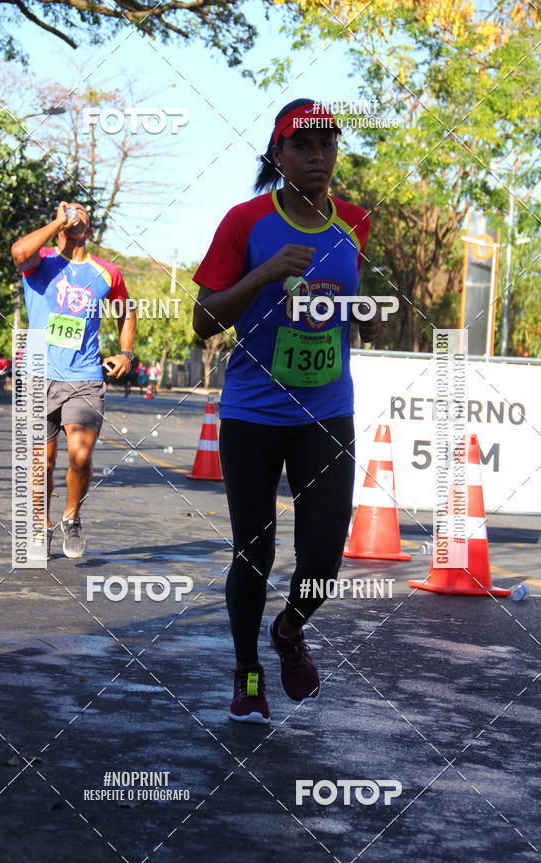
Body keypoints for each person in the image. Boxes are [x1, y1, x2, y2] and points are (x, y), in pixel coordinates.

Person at [192, 99, 383, 724]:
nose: (318, 156)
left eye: (327, 144)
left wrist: (369, 315)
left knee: (325, 559)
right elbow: (202, 322)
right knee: (255, 552)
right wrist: (262, 276)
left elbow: (348, 315)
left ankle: (289, 630)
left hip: (326, 410)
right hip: (253, 411)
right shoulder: (246, 222)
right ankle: (246, 668)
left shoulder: (354, 222)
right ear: (278, 155)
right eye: (303, 146)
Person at [11, 201, 136, 558]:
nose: (73, 213)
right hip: (37, 374)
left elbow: (127, 311)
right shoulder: (41, 262)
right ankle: (40, 525)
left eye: (79, 211)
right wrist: (56, 223)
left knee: (80, 455)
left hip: (84, 377)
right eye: (67, 211)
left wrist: (125, 352)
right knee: (42, 462)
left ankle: (72, 518)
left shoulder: (107, 272)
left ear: (91, 228)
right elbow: (19, 250)